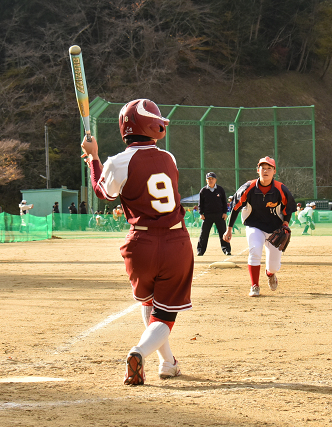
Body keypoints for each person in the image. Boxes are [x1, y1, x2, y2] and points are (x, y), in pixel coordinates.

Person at [80, 98, 194, 386]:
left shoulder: (117, 162)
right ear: (151, 125)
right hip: (175, 241)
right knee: (164, 316)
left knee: (149, 303)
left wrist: (93, 159)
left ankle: (168, 363)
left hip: (140, 243)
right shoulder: (170, 158)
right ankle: (140, 351)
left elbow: (102, 193)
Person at [223, 156, 296, 297]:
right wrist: (229, 228)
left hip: (275, 229)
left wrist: (286, 223)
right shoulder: (248, 187)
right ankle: (254, 286)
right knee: (255, 251)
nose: (266, 171)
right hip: (254, 226)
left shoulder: (281, 189)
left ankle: (270, 274)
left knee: (274, 266)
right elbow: (236, 208)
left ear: (274, 171)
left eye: (269, 168)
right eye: (263, 168)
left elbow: (289, 207)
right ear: (258, 170)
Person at [197, 172, 230, 256]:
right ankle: (200, 250)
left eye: (212, 179)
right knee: (204, 234)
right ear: (206, 180)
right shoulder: (203, 191)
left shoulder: (220, 189)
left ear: (215, 180)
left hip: (219, 215)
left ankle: (226, 249)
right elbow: (200, 203)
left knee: (223, 233)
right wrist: (201, 213)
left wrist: (224, 213)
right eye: (209, 179)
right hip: (207, 216)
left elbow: (224, 202)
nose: (210, 180)